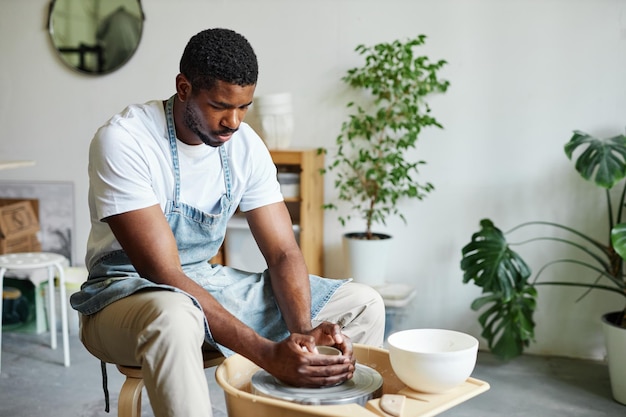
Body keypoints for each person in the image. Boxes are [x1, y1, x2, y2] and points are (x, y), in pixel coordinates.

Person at [70, 28, 385, 417]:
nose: (233, 122)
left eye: (244, 107)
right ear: (183, 87)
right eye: (220, 106)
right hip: (122, 295)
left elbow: (283, 252)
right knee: (175, 315)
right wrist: (269, 354)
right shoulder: (125, 140)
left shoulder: (245, 145)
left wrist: (302, 332)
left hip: (202, 283)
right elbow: (163, 272)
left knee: (361, 303)